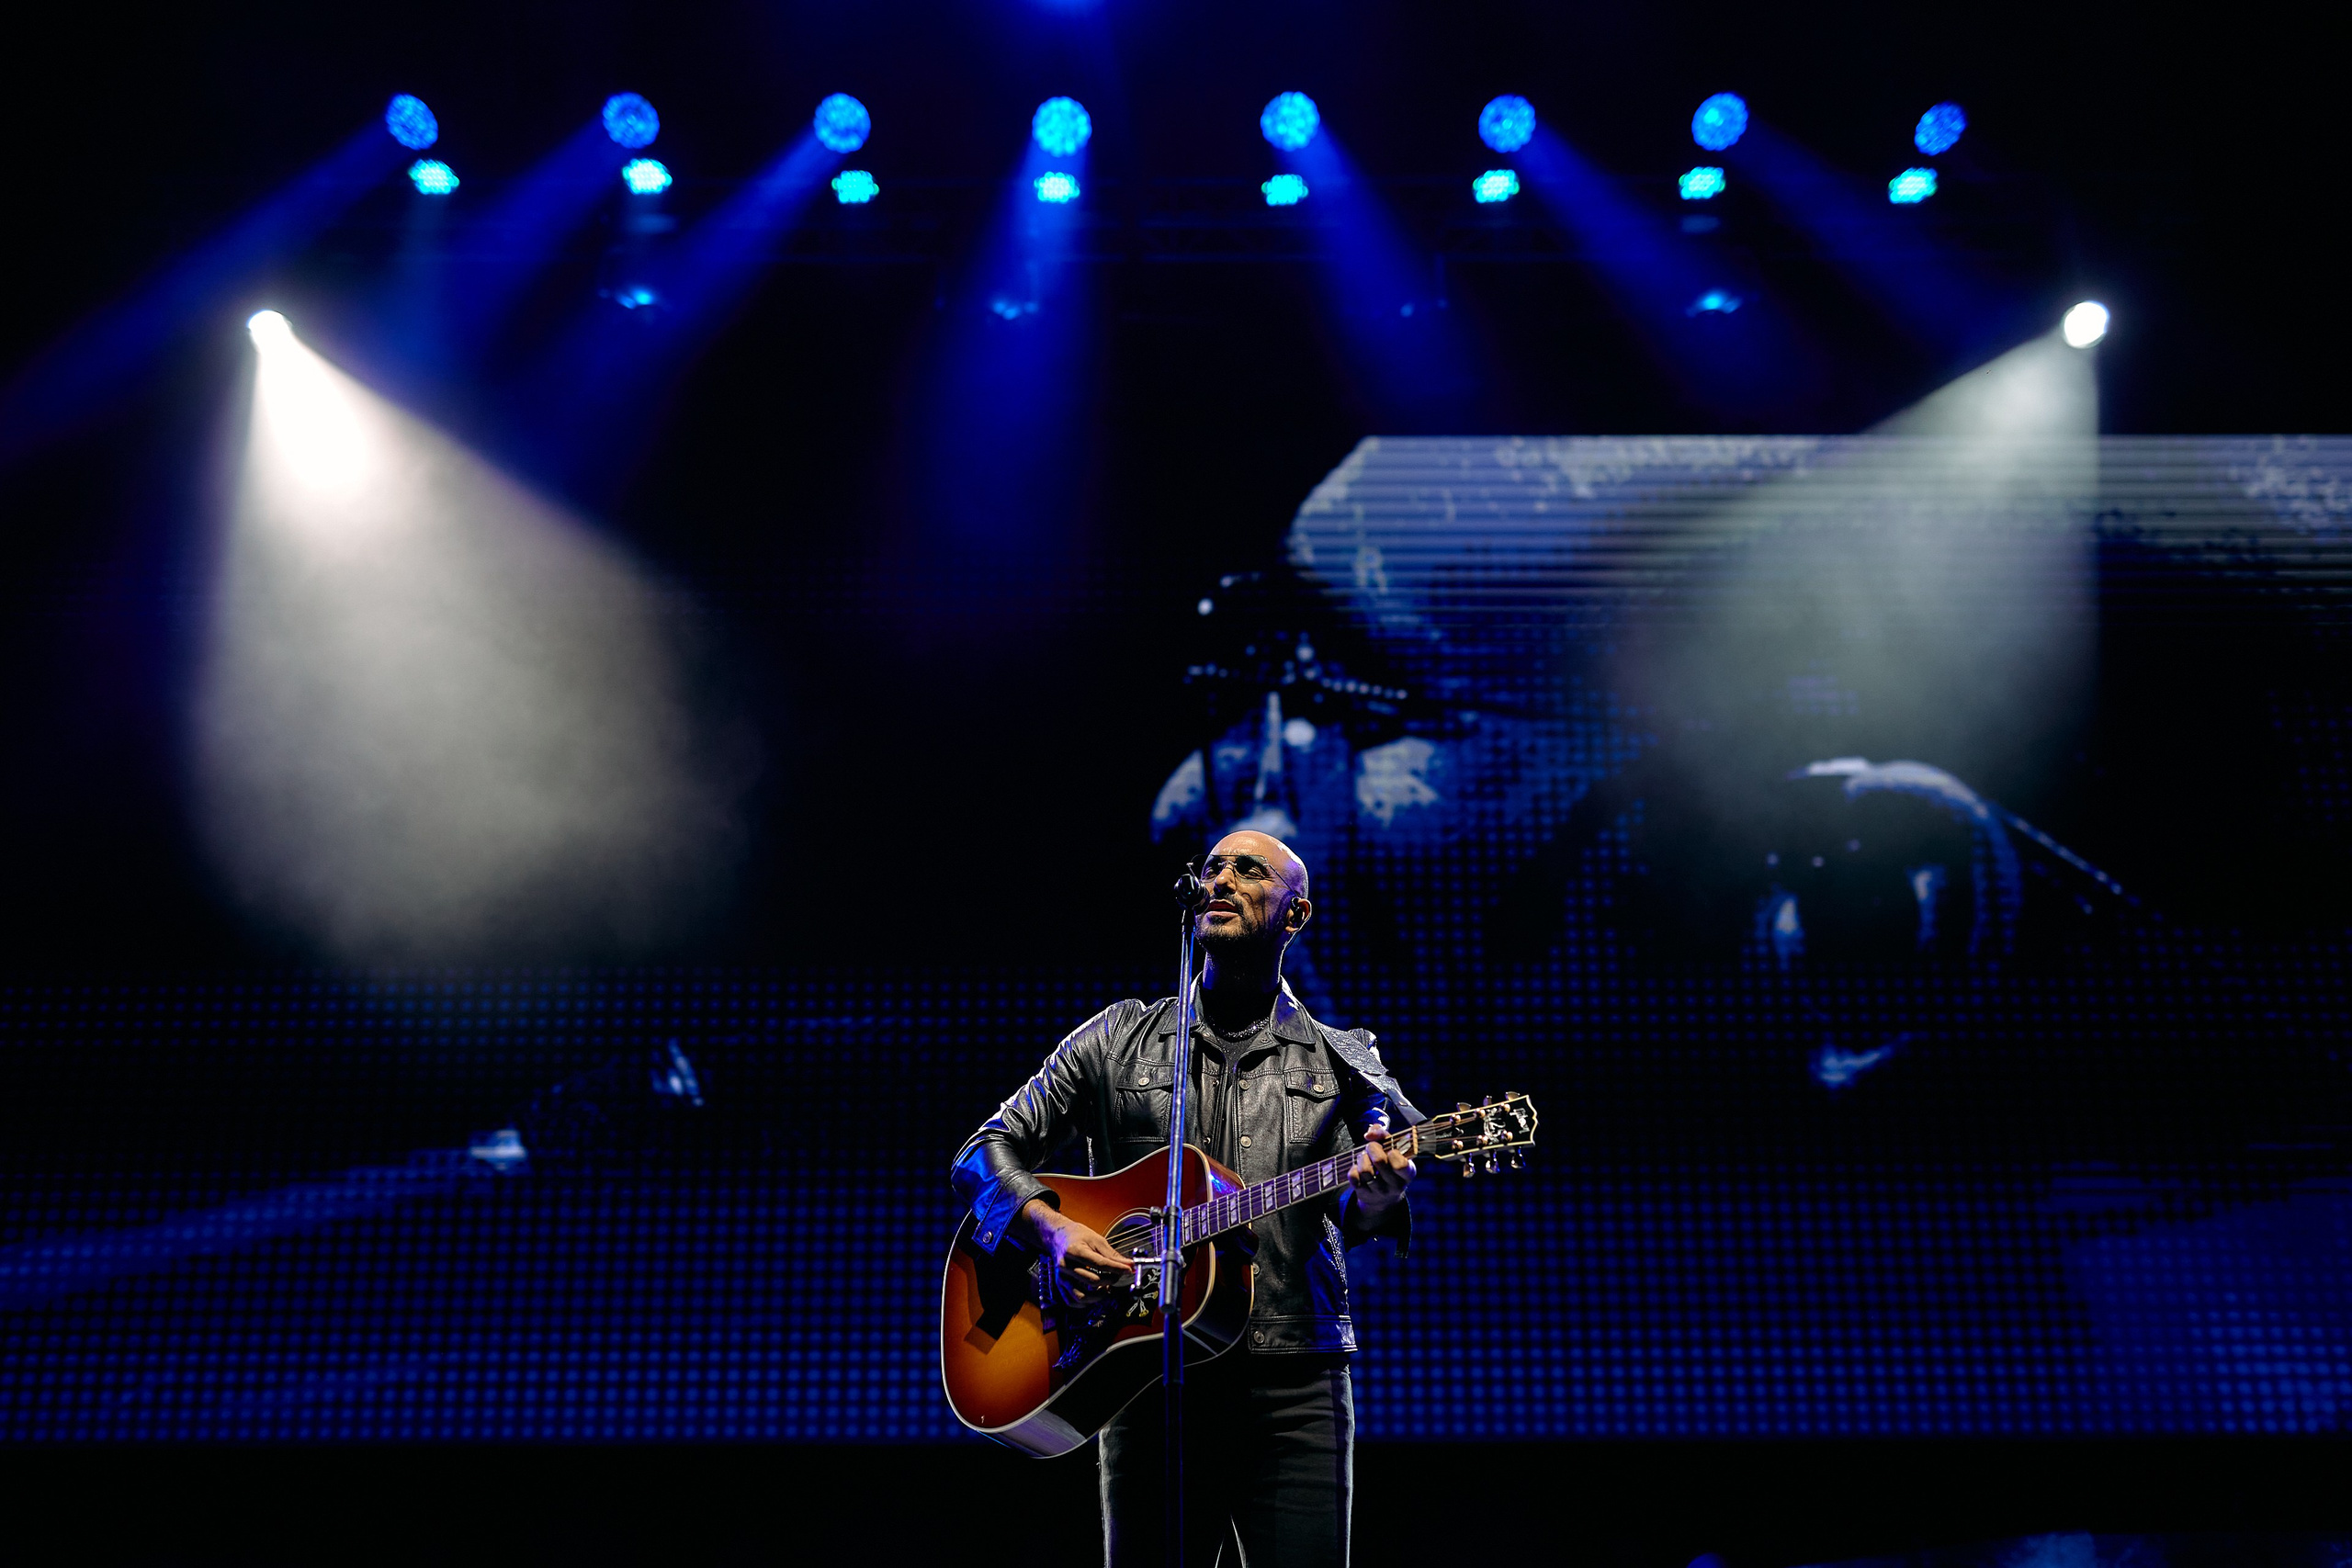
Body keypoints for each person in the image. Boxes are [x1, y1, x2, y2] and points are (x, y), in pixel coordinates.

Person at [953, 829, 1419, 1567]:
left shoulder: (1342, 1059)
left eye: (1248, 869)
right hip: (1143, 1373)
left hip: (1293, 1377)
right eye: (1212, 867)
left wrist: (1377, 1191)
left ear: (1295, 914)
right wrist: (1050, 1231)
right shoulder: (1115, 1039)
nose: (1221, 879)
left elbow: (1363, 1208)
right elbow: (983, 1151)